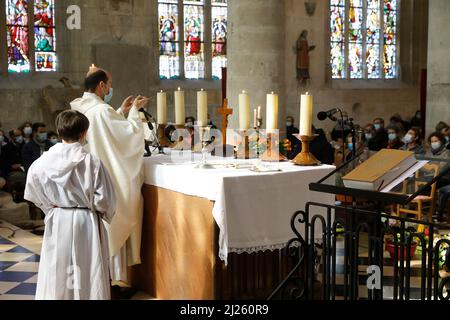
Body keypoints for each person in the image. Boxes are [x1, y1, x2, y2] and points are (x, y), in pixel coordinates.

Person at [71, 66, 149, 292]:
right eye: (109, 84)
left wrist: (120, 112)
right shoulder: (101, 111)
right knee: (112, 223)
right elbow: (129, 136)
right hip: (107, 177)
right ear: (101, 85)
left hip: (88, 179)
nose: (110, 88)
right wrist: (134, 111)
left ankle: (103, 282)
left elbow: (102, 130)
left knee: (101, 232)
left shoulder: (83, 107)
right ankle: (109, 283)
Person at [24, 110, 116, 300]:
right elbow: (105, 200)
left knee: (59, 267)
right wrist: (96, 209)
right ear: (84, 133)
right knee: (88, 268)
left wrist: (51, 208)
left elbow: (33, 192)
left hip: (58, 219)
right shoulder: (92, 162)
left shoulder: (42, 162)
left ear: (59, 132)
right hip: (86, 222)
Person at [2, 129, 26, 202]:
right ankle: (21, 198)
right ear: (12, 137)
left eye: (21, 135)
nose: (20, 137)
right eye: (17, 135)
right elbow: (4, 163)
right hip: (13, 171)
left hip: (26, 168)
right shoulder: (6, 148)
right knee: (23, 178)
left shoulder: (25, 145)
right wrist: (12, 166)